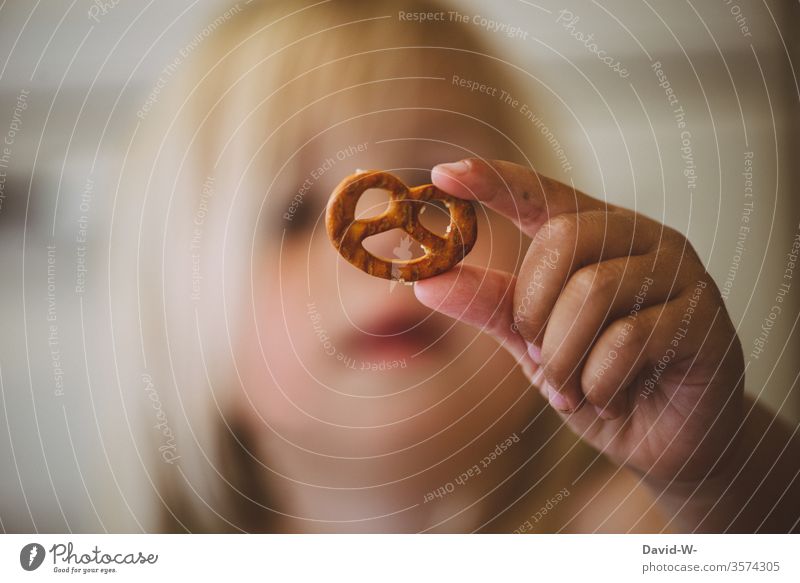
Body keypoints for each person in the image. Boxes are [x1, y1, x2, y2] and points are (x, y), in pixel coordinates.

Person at [117, 0, 800, 533]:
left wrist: (716, 470)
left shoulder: (642, 530)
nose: (389, 248)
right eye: (292, 215)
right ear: (176, 311)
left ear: (544, 245)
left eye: (435, 190)